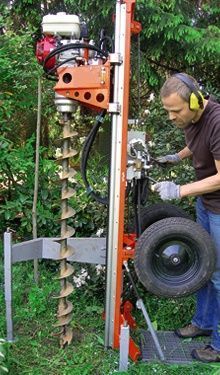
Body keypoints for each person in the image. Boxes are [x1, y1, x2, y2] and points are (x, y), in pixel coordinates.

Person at [154, 72, 220, 363]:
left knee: (219, 275)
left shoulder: (218, 121)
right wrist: (176, 157)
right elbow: (196, 143)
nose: (171, 117)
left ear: (196, 100)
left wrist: (179, 190)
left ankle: (218, 346)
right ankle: (204, 322)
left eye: (175, 111)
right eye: (167, 111)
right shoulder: (193, 119)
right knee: (204, 266)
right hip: (206, 205)